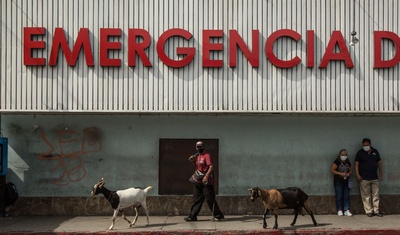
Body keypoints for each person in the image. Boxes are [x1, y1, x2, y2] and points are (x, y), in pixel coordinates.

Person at [184, 141, 224, 222]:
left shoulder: (207, 155)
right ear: (196, 148)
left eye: (200, 146)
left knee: (210, 198)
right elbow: (197, 167)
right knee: (196, 198)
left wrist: (206, 176)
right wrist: (192, 161)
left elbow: (211, 167)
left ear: (204, 147)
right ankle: (192, 216)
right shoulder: (198, 156)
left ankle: (218, 215)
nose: (199, 148)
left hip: (206, 181)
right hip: (198, 180)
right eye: (198, 147)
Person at [355, 138, 383, 217]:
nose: (365, 147)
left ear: (370, 144)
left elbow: (379, 163)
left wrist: (381, 173)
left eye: (367, 145)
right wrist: (357, 174)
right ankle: (368, 211)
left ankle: (376, 210)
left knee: (375, 195)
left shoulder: (375, 152)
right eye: (364, 145)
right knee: (366, 195)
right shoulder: (360, 153)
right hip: (364, 178)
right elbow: (356, 164)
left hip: (374, 177)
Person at [331, 149, 353, 216]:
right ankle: (339, 210)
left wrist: (348, 174)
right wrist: (340, 173)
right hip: (338, 181)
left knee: (346, 196)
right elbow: (332, 170)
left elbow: (351, 170)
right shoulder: (336, 162)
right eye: (342, 155)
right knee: (339, 196)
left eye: (345, 155)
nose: (344, 156)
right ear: (340, 155)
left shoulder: (347, 162)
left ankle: (347, 210)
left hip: (346, 181)